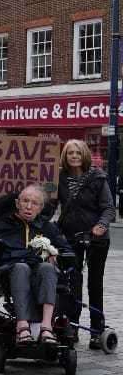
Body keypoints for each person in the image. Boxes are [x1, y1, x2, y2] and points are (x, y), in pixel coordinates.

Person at [0, 186, 72, 345]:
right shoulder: (3, 225)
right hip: (11, 272)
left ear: (41, 207)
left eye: (35, 203)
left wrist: (56, 256)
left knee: (47, 267)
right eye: (25, 201)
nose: (29, 206)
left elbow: (68, 252)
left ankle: (46, 327)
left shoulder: (47, 227)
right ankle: (22, 326)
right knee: (21, 267)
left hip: (41, 274)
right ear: (17, 203)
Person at [57, 139, 115, 349]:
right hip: (70, 236)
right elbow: (50, 204)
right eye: (70, 153)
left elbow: (109, 207)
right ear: (65, 156)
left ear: (84, 156)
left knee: (94, 284)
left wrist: (101, 225)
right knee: (72, 282)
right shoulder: (60, 177)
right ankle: (72, 326)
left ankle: (96, 329)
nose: (74, 156)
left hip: (96, 238)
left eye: (78, 153)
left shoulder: (98, 177)